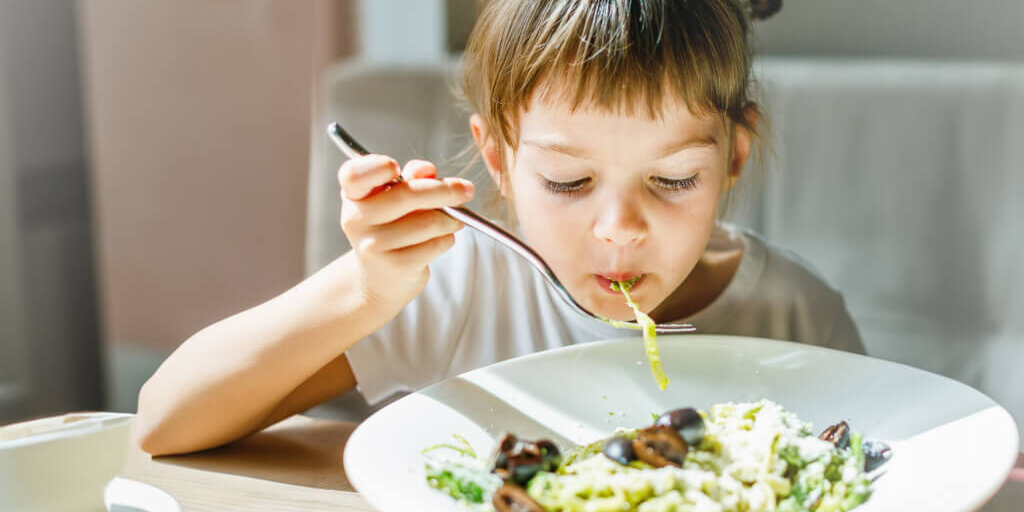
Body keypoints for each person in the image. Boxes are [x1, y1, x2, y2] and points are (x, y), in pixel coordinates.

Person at [134, 0, 864, 456]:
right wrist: (366, 289)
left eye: (672, 180)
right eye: (567, 182)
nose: (618, 230)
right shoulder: (457, 288)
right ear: (498, 161)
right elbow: (166, 421)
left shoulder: (798, 317)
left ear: (734, 155)